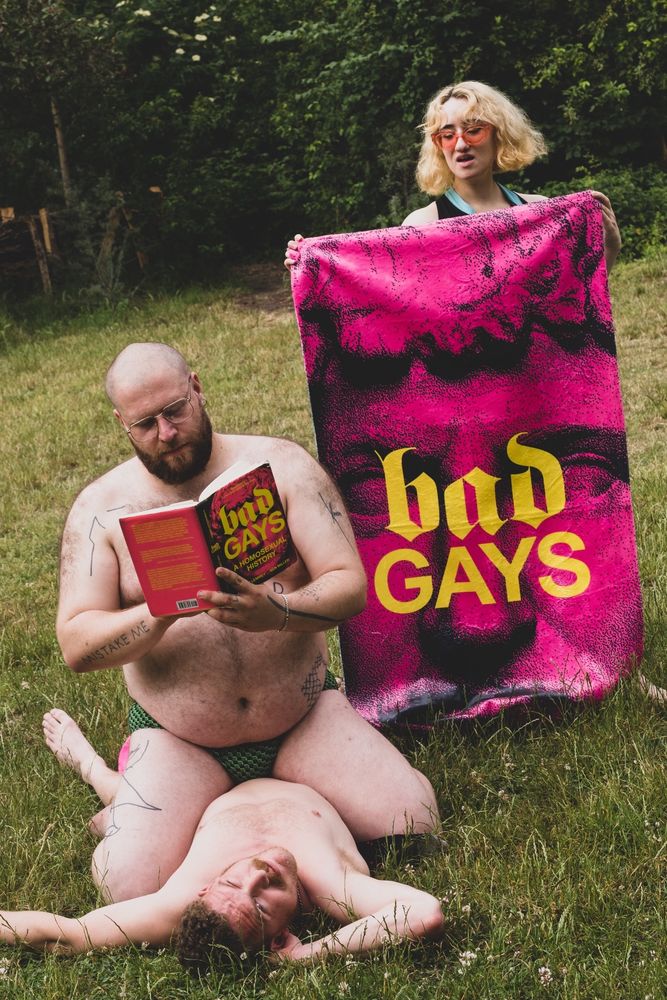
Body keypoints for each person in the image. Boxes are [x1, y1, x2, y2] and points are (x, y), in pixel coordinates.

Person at [55, 342, 439, 902]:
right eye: (145, 423)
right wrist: (157, 613)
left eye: (176, 409)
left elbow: (349, 585)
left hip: (301, 717)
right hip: (181, 739)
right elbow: (76, 644)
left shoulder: (281, 466)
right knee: (124, 884)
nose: (167, 432)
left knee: (415, 820)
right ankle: (130, 787)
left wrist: (276, 613)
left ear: (198, 386)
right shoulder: (101, 510)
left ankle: (256, 795)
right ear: (121, 423)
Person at [0, 711, 444, 967]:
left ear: (206, 889)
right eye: (263, 903)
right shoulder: (330, 884)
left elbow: (69, 934)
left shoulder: (179, 900)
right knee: (412, 815)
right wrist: (307, 955)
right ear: (278, 936)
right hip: (296, 778)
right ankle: (115, 801)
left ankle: (91, 768)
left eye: (233, 884)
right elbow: (423, 911)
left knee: (127, 832)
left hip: (204, 795)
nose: (260, 873)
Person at [284, 80, 621, 270]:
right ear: (438, 145)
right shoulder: (421, 225)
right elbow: (388, 301)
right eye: (447, 134)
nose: (460, 144)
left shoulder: (539, 212)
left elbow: (575, 292)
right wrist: (314, 265)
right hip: (466, 386)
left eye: (473, 130)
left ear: (498, 134)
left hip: (533, 382)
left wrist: (609, 245)